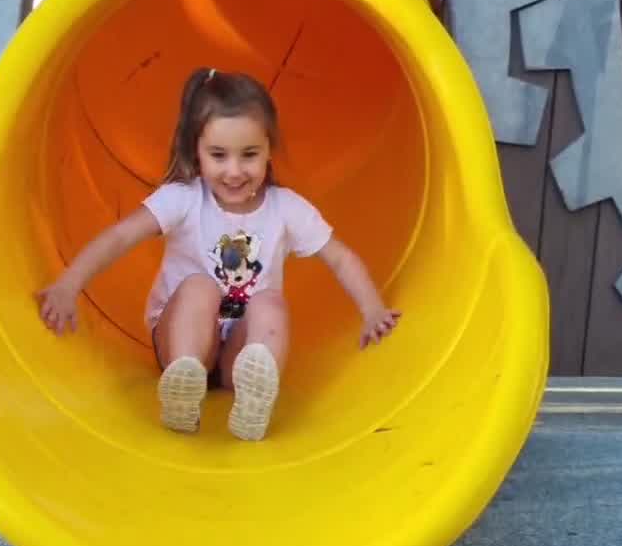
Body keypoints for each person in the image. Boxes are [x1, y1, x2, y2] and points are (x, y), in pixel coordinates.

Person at [38, 68, 400, 441]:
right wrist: (69, 286)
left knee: (270, 303)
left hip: (235, 355)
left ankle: (254, 395)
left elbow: (339, 257)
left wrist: (372, 310)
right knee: (199, 287)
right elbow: (120, 237)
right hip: (181, 338)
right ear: (196, 150)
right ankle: (184, 384)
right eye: (218, 155)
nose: (234, 171)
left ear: (268, 150)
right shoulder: (184, 199)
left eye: (249, 155)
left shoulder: (285, 208)